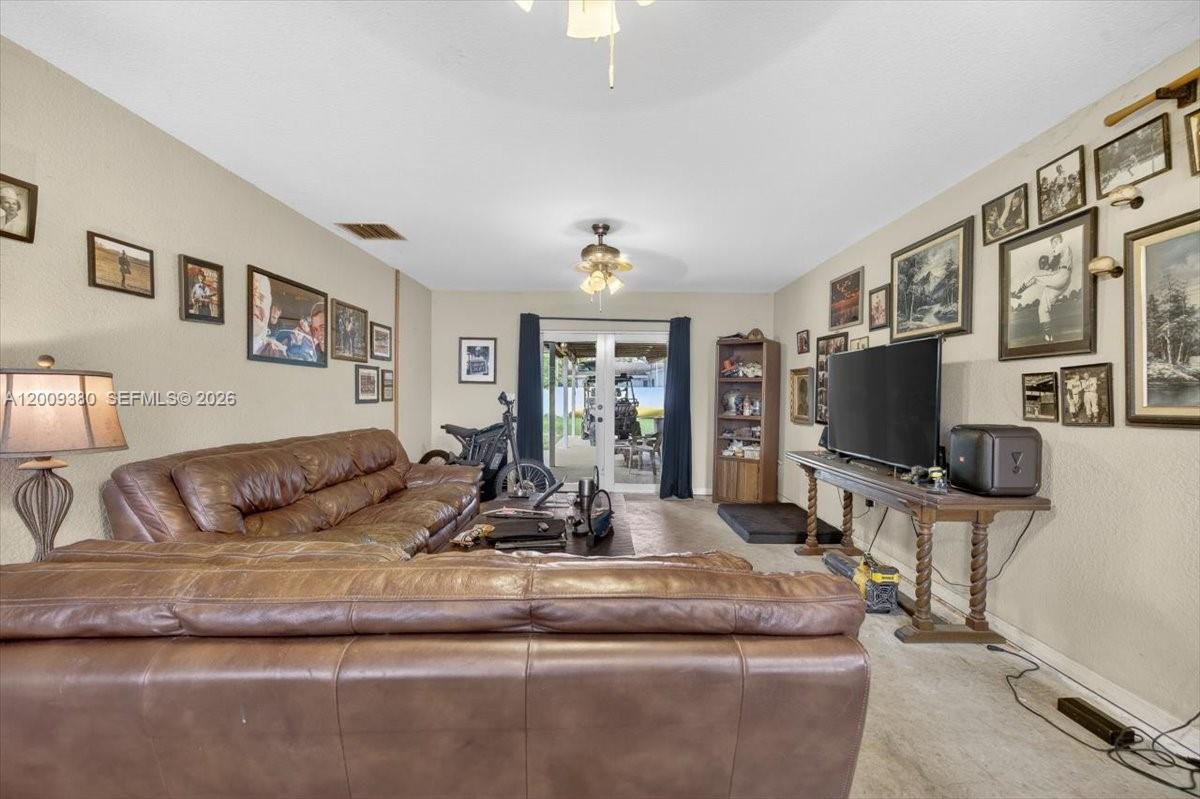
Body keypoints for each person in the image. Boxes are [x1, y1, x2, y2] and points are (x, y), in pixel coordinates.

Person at [1010, 233, 1073, 342]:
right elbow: (1054, 263)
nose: (1053, 244)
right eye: (1053, 242)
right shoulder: (1061, 250)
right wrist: (1048, 269)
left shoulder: (1061, 244)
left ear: (1057, 240)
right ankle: (1048, 336)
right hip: (1061, 280)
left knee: (1035, 274)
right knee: (1043, 308)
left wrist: (1048, 267)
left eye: (1054, 242)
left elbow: (1055, 259)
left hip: (1061, 275)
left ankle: (1018, 292)